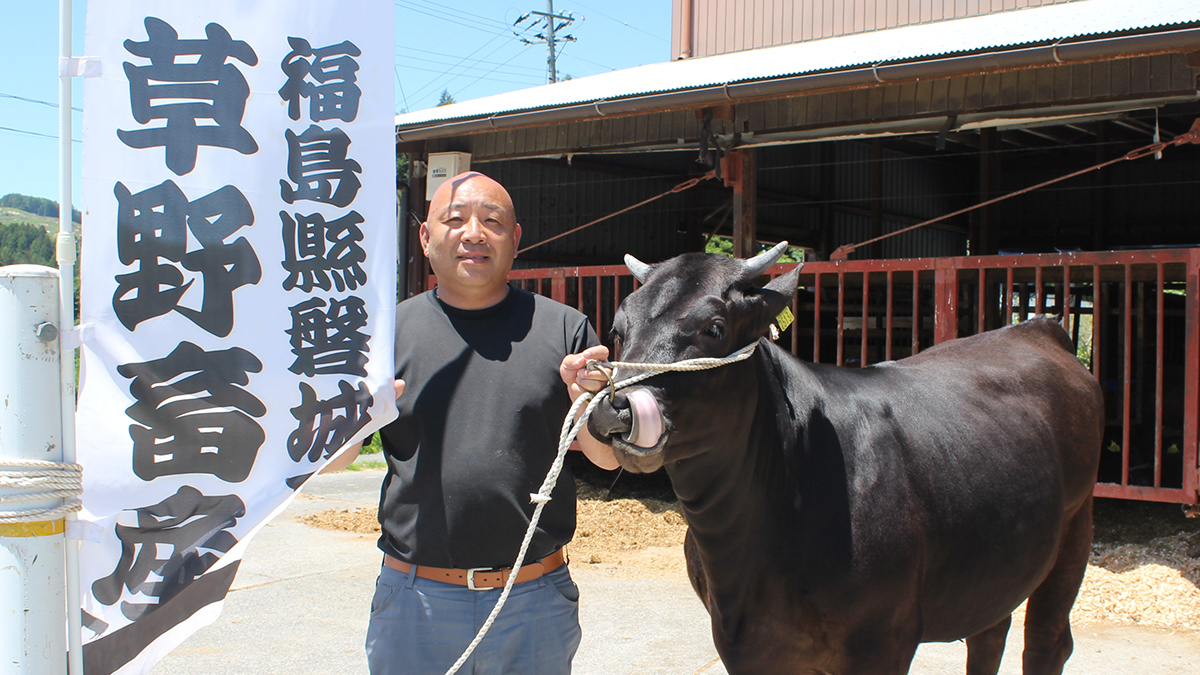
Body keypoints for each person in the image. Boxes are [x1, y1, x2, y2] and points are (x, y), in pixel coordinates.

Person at [323, 171, 617, 675]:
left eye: (492, 221)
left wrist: (584, 400)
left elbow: (607, 456)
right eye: (455, 219)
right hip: (417, 600)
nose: (474, 233)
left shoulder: (565, 330)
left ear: (515, 238)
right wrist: (352, 417)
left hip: (534, 599)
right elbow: (334, 462)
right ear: (425, 236)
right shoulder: (386, 335)